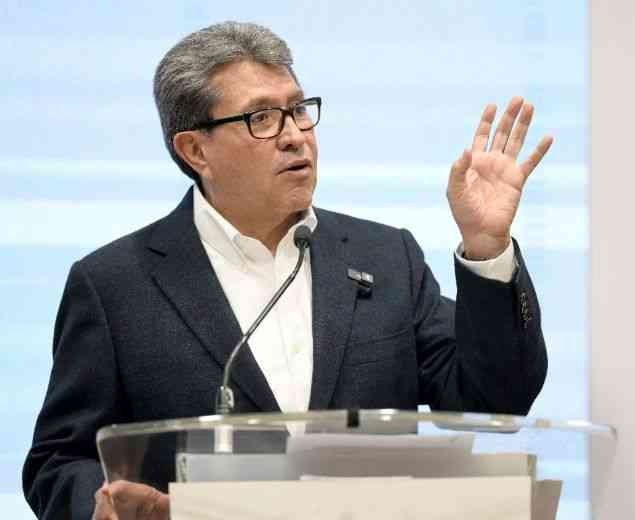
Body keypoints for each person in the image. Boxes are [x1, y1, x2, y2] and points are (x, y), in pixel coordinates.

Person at [22, 21, 552, 520]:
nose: (296, 135)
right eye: (261, 118)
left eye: (298, 110)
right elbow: (58, 459)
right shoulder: (116, 285)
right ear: (195, 149)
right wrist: (103, 504)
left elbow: (496, 400)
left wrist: (487, 247)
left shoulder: (385, 257)